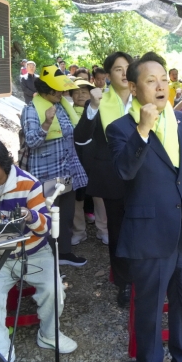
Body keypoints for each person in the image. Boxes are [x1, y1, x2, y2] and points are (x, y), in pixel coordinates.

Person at [107, 52, 182, 362]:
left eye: (164, 79)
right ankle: (149, 361)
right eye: (151, 81)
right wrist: (142, 130)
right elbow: (124, 172)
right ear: (134, 88)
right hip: (150, 234)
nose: (160, 85)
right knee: (150, 309)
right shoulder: (120, 128)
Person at [0, 136, 77, 362]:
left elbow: (47, 226)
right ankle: (1, 351)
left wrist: (30, 215)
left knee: (54, 290)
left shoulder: (29, 184)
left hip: (34, 252)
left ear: (3, 162)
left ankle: (49, 335)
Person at [73, 51, 134, 307]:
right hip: (113, 178)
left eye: (128, 68)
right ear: (107, 76)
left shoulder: (144, 100)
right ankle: (124, 282)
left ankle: (145, 275)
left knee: (142, 229)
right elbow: (80, 138)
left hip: (144, 178)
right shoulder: (99, 101)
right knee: (118, 232)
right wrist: (93, 108)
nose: (124, 73)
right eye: (118, 69)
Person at [21, 66, 88, 268]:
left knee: (65, 213)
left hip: (65, 171)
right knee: (50, 216)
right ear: (46, 90)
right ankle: (47, 260)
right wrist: (46, 124)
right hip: (47, 174)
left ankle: (64, 252)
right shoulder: (32, 109)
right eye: (57, 90)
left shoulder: (60, 106)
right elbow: (31, 142)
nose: (61, 93)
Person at [68, 79, 108, 246]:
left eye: (85, 91)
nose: (81, 94)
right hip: (74, 159)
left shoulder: (100, 110)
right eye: (76, 91)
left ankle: (103, 230)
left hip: (94, 159)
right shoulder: (65, 110)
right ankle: (79, 231)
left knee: (99, 196)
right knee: (77, 197)